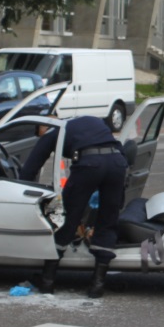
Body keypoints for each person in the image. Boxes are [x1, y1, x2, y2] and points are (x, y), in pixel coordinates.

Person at [21, 116, 128, 298]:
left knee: (65, 217)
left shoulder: (53, 131)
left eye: (39, 131)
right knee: (108, 220)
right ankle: (97, 284)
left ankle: (47, 280)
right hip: (118, 163)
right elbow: (114, 144)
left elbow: (31, 167)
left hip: (89, 164)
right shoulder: (88, 121)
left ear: (45, 126)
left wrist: (21, 188)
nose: (40, 135)